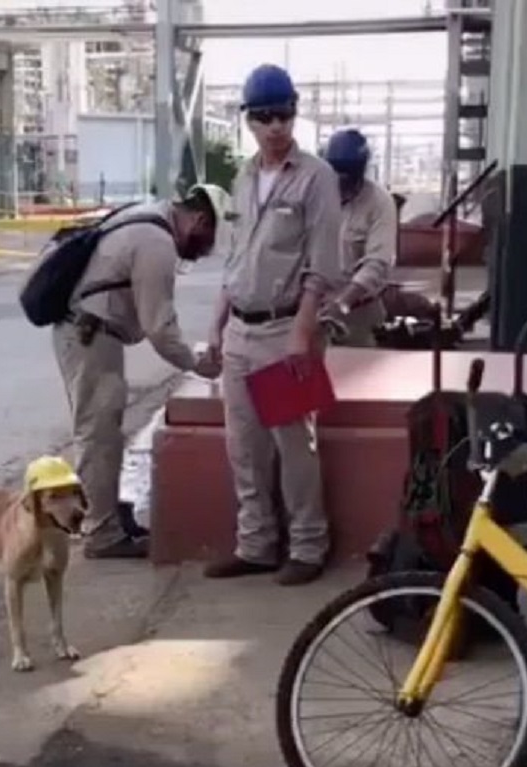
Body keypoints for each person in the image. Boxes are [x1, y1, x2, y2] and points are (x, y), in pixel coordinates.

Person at [203, 64, 342, 586]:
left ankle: (308, 545)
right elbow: (234, 260)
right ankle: (256, 545)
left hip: (286, 331)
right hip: (240, 330)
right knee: (244, 446)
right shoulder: (241, 178)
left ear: (295, 112)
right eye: (263, 117)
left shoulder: (316, 178)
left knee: (293, 446)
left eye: (283, 114)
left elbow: (324, 264)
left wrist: (303, 332)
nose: (275, 126)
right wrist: (216, 327)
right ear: (248, 120)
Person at [52, 183, 230, 560]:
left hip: (90, 333)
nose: (201, 251)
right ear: (199, 220)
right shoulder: (156, 243)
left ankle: (107, 513)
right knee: (98, 434)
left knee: (106, 433)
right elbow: (160, 329)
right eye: (207, 239)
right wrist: (202, 365)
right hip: (89, 336)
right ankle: (101, 534)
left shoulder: (146, 215)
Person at [320, 128, 399, 347]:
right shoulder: (315, 197)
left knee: (360, 374)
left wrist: (342, 301)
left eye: (348, 178)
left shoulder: (379, 203)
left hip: (359, 312)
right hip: (314, 308)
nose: (341, 184)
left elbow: (378, 262)